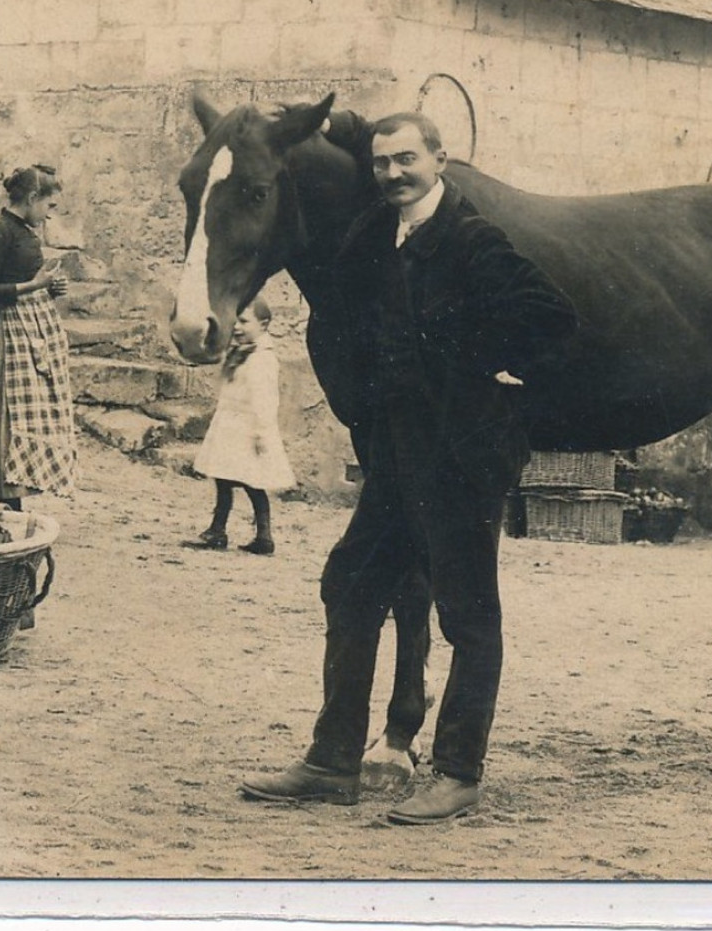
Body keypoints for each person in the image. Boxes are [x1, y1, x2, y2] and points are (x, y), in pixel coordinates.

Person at [240, 111, 577, 824]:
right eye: (382, 162)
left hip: (459, 454)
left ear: (440, 159)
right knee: (351, 583)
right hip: (396, 454)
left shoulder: (470, 235)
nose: (392, 173)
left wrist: (479, 372)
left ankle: (458, 771)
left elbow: (547, 317)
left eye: (406, 160)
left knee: (466, 611)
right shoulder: (375, 234)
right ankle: (334, 760)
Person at [0, 164, 78, 511]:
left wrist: (51, 288)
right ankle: (7, 498)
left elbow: (29, 279)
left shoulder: (25, 230)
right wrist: (34, 285)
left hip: (34, 328)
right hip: (10, 331)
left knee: (32, 413)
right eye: (49, 206)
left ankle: (19, 492)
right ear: (31, 198)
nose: (49, 214)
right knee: (7, 415)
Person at [182, 297, 296, 556]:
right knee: (223, 479)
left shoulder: (263, 359)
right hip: (231, 424)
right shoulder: (243, 352)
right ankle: (220, 530)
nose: (237, 327)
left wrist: (260, 431)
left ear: (264, 324)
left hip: (247, 427)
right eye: (235, 321)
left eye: (244, 321)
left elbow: (265, 399)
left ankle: (260, 536)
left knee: (252, 482)